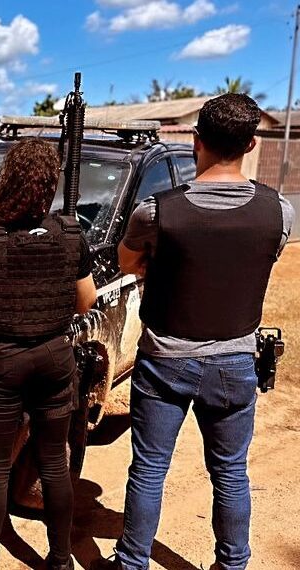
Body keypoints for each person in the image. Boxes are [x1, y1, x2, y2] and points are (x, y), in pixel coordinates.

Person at [92, 94, 294, 570]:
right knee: (229, 474)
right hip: (235, 363)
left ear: (196, 141)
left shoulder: (157, 212)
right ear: (249, 144)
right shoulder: (278, 211)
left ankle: (132, 562)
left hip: (164, 360)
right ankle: (233, 563)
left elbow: (127, 262)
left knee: (148, 471)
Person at [0, 138, 98, 570]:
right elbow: (86, 301)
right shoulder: (71, 234)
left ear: (8, 181)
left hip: (1, 366)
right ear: (50, 185)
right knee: (54, 462)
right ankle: (62, 560)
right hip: (54, 360)